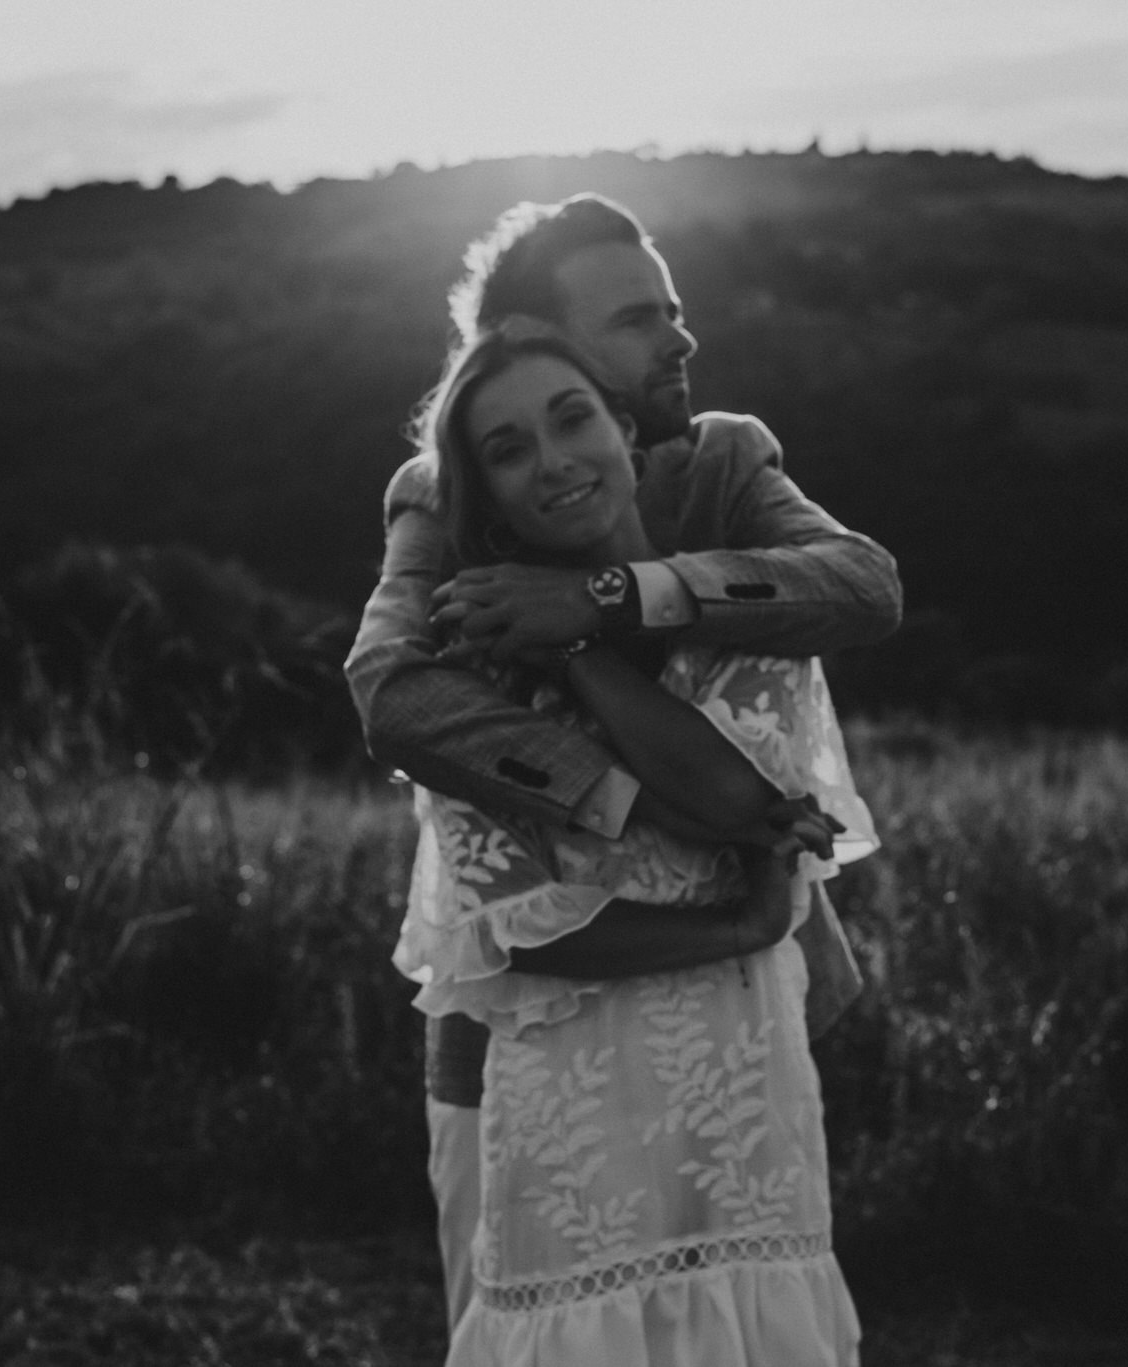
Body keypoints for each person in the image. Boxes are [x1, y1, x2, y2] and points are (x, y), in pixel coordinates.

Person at [344, 193, 901, 1327]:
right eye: (640, 320)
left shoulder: (727, 462)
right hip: (533, 1022)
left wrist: (607, 598)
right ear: (533, 342)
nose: (679, 339)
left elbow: (861, 586)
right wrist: (638, 803)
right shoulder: (441, 494)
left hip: (740, 1009)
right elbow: (393, 693)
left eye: (675, 309)